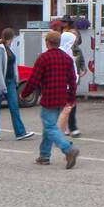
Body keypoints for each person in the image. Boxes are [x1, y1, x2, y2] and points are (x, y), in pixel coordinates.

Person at [19, 30, 80, 169]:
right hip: (62, 96)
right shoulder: (67, 58)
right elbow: (72, 80)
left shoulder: (43, 58)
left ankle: (68, 150)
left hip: (49, 97)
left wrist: (24, 94)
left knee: (50, 126)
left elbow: (34, 79)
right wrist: (71, 98)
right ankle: (44, 156)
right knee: (49, 127)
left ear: (47, 42)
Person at [0, 27, 34, 143]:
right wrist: (2, 87)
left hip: (10, 82)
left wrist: (16, 80)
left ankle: (20, 132)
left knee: (14, 107)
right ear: (10, 37)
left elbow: (13, 65)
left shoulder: (9, 49)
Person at [59, 16, 82, 136]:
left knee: (70, 103)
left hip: (72, 78)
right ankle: (65, 128)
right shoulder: (62, 48)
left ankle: (71, 127)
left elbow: (80, 57)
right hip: (64, 80)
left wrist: (81, 68)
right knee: (66, 104)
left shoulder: (74, 48)